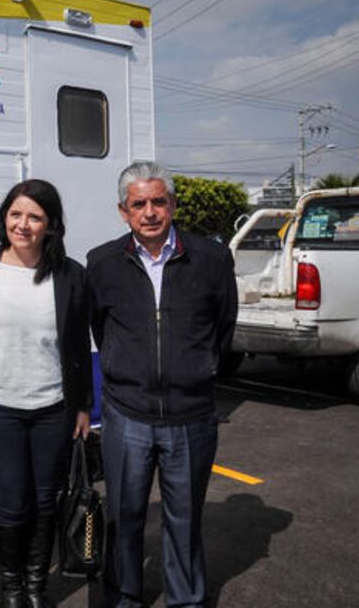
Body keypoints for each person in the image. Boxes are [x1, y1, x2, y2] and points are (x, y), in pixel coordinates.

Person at [86, 162, 237, 608]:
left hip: (191, 416)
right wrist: (124, 366)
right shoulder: (102, 262)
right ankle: (124, 597)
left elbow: (224, 326)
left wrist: (201, 370)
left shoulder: (210, 258)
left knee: (184, 518)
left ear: (172, 204)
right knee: (124, 515)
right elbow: (100, 328)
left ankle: (186, 599)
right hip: (127, 414)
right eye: (139, 204)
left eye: (158, 201)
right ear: (123, 211)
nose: (149, 212)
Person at [0, 180, 92, 608]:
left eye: (34, 217)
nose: (23, 224)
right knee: (11, 505)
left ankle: (36, 586)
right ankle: (11, 589)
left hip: (53, 408)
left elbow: (78, 345)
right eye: (15, 214)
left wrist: (83, 406)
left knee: (44, 502)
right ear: (4, 217)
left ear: (51, 225)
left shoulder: (71, 275)